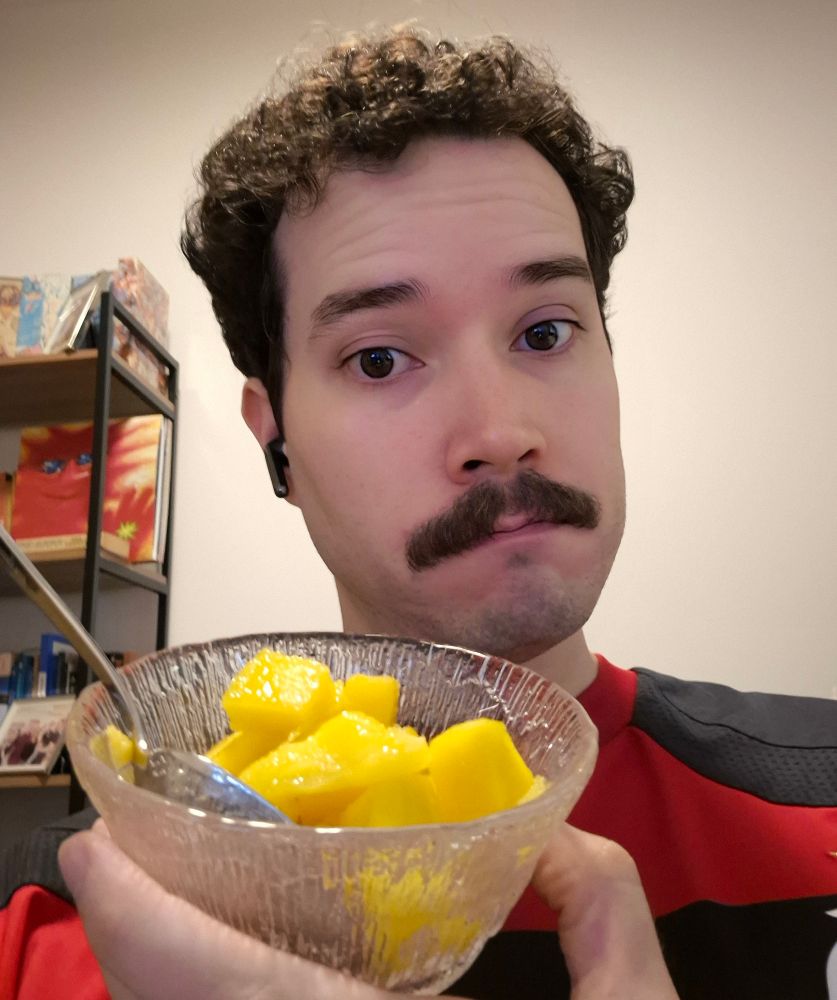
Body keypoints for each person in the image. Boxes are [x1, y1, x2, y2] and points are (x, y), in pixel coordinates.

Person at [1, 25, 835, 1000]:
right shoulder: (47, 931)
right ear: (277, 443)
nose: (501, 432)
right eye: (380, 358)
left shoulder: (819, 803)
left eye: (545, 332)